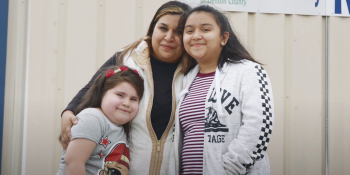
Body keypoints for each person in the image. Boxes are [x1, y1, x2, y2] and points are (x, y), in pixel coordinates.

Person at [59, 1, 193, 174]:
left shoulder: (194, 69)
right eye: (163, 28)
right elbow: (92, 87)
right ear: (153, 29)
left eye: (179, 32)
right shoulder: (128, 57)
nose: (169, 37)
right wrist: (68, 111)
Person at [170, 5, 275, 175]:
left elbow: (260, 126)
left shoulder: (249, 71)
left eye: (205, 29)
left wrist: (229, 169)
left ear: (224, 38)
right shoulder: (186, 80)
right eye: (189, 31)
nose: (196, 36)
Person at [57, 65, 144, 175]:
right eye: (120, 95)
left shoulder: (120, 128)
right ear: (102, 93)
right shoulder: (93, 118)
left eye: (133, 99)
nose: (126, 103)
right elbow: (74, 163)